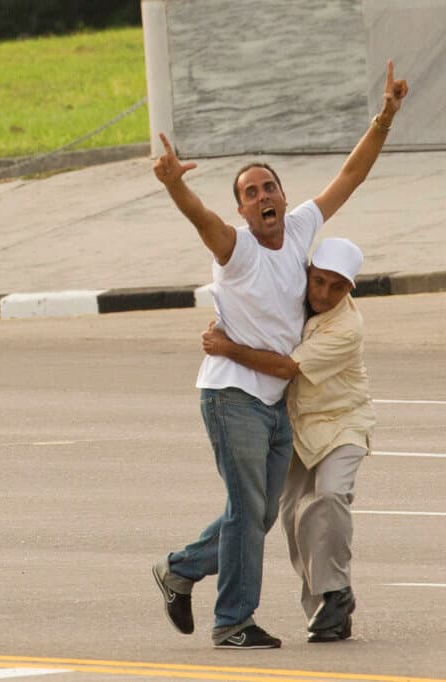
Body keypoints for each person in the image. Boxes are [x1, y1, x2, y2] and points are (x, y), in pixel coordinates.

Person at [150, 61, 407, 649]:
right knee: (247, 511)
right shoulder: (236, 248)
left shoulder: (299, 229)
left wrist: (385, 118)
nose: (262, 196)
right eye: (250, 193)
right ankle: (232, 621)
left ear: (284, 197)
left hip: (274, 402)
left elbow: (351, 175)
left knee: (259, 515)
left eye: (269, 187)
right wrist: (174, 185)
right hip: (231, 394)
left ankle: (179, 569)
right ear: (242, 211)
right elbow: (202, 220)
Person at [201, 238, 375, 644]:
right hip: (294, 428)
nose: (324, 294)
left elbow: (286, 367)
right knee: (294, 516)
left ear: (350, 289)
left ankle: (335, 593)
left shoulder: (346, 328)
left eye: (337, 287)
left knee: (329, 496)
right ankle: (326, 611)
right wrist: (224, 325)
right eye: (319, 281)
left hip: (341, 423)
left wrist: (226, 347)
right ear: (308, 274)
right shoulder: (293, 297)